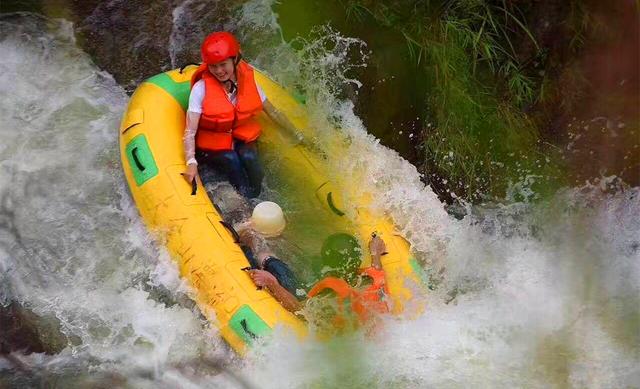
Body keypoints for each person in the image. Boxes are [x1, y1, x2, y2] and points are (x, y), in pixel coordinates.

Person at [182, 31, 302, 198]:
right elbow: (190, 131)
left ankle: (258, 196)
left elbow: (273, 111)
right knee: (231, 159)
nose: (219, 71)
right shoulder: (200, 89)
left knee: (249, 156)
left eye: (223, 64)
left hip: (239, 135)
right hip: (212, 143)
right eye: (213, 66)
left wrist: (298, 135)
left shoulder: (246, 82)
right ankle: (245, 200)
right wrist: (191, 162)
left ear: (235, 59)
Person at [238, 226, 390, 321]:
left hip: (312, 307)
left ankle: (253, 240)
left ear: (327, 262)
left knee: (272, 264)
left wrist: (272, 283)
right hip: (357, 321)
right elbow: (376, 267)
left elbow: (300, 311)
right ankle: (275, 239)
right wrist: (375, 252)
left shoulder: (331, 292)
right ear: (358, 259)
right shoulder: (372, 277)